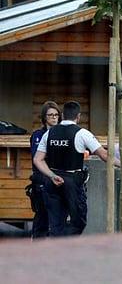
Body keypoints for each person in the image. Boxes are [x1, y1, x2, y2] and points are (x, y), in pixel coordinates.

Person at [33, 100, 121, 237]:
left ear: (62, 114)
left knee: (56, 225)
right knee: (78, 221)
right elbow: (104, 155)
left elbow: (37, 159)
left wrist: (51, 175)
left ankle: (58, 249)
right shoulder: (82, 133)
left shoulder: (49, 133)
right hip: (72, 182)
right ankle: (67, 246)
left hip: (53, 181)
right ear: (78, 116)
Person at [28, 100, 61, 239]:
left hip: (58, 177)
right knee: (42, 215)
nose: (54, 117)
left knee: (58, 215)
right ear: (44, 118)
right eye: (50, 115)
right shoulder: (38, 135)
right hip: (42, 178)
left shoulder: (62, 134)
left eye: (56, 115)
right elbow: (38, 157)